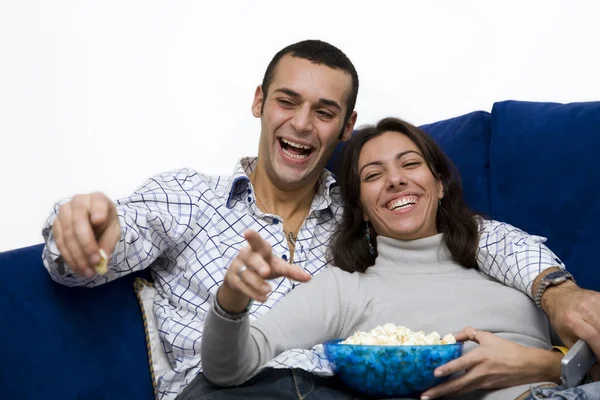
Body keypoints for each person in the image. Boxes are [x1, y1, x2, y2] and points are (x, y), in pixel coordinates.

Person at [41, 40, 600, 399]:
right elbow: (95, 251)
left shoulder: (362, 218)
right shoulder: (186, 197)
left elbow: (476, 236)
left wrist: (556, 294)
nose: (303, 124)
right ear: (260, 101)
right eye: (288, 101)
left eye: (325, 111)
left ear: (345, 126)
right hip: (223, 388)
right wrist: (87, 231)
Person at [200, 117, 600, 400]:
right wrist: (232, 300)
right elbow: (229, 368)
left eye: (410, 164)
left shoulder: (502, 258)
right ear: (359, 204)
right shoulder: (345, 289)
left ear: (439, 184)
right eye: (374, 175)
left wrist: (546, 366)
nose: (395, 180)